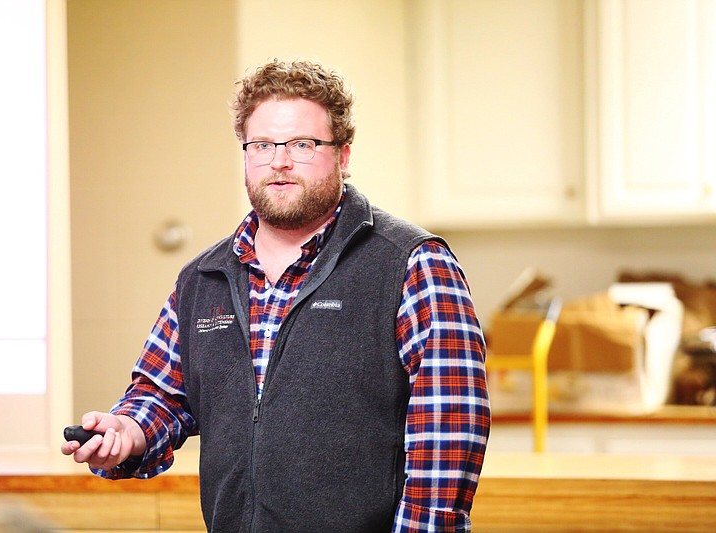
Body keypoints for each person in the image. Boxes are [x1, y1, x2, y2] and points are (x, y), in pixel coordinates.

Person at [62, 59, 490, 532]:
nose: (279, 161)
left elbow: (449, 432)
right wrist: (130, 430)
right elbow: (162, 395)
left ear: (343, 155)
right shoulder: (204, 278)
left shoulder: (413, 264)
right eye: (262, 145)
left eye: (302, 145)